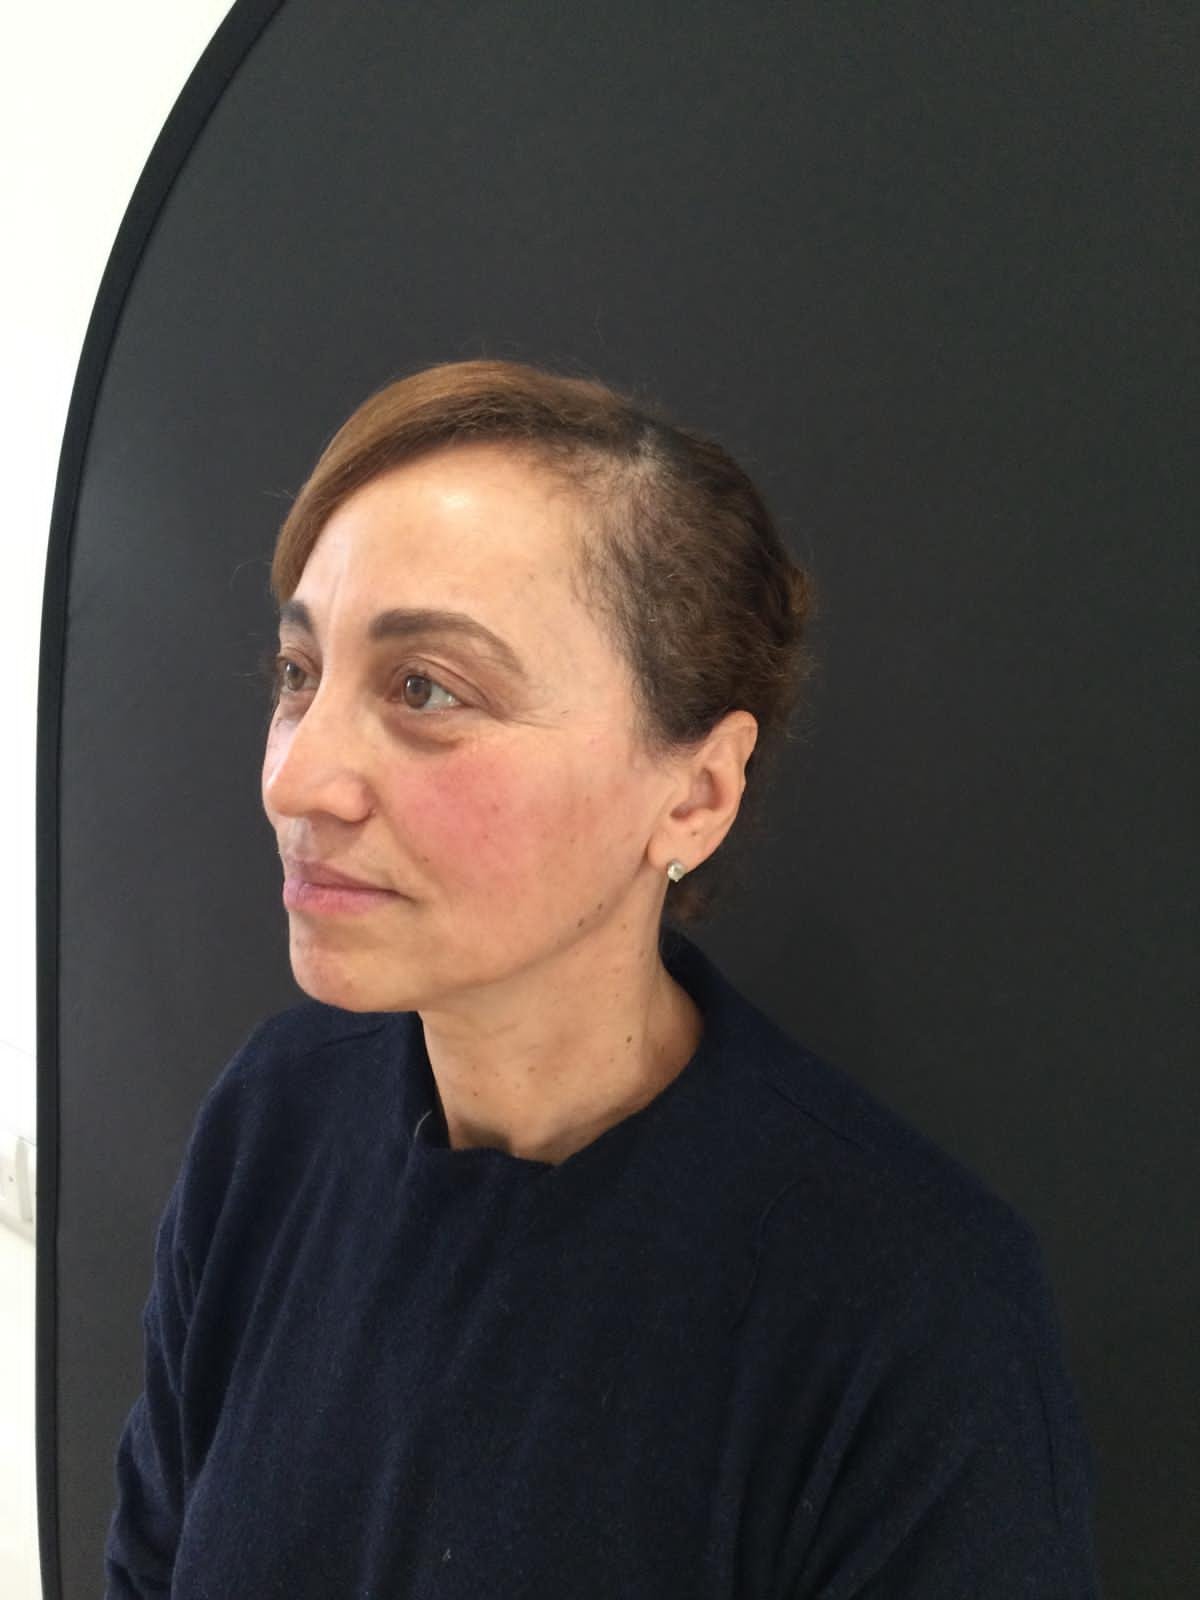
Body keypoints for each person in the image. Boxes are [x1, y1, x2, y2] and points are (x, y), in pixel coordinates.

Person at [104, 359, 1101, 1596]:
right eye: (299, 676)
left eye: (425, 689)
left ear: (695, 794)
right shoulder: (272, 1126)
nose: (295, 779)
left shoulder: (909, 1315)